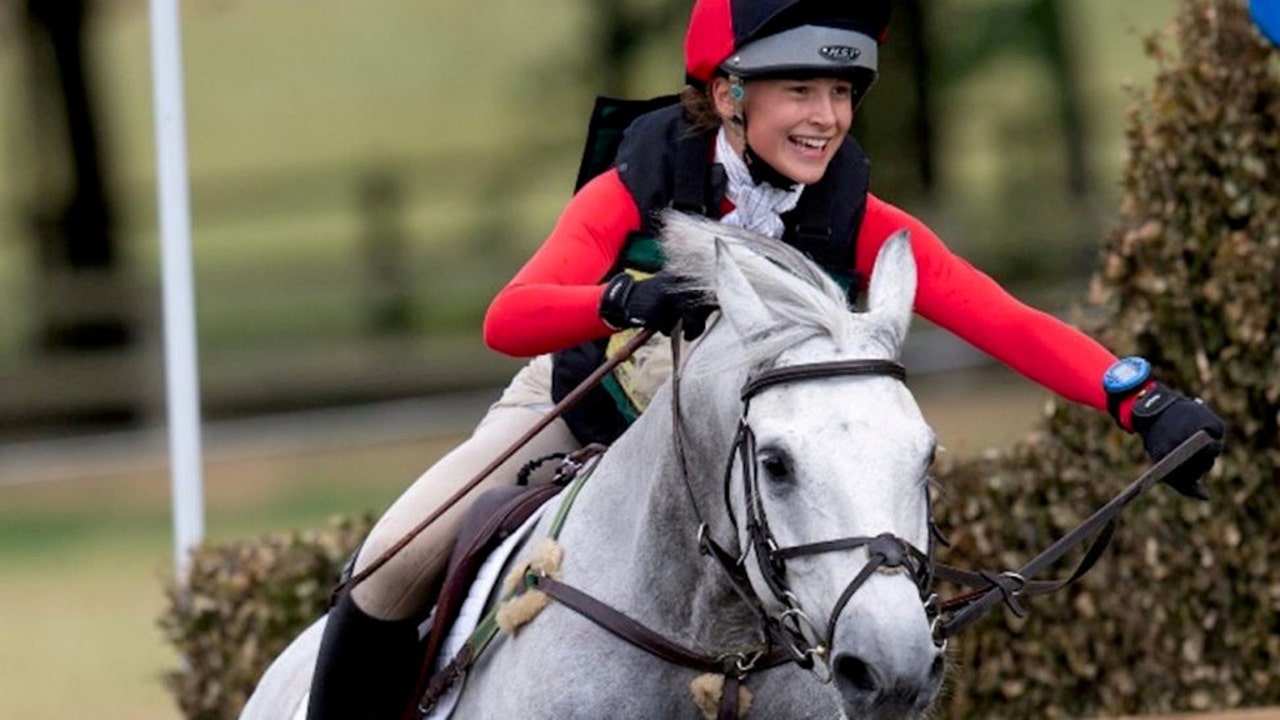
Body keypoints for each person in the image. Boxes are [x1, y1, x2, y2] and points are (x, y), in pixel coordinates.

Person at [305, 2, 1226, 718]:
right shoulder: (640, 179)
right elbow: (507, 319)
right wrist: (618, 299)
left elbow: (1003, 318)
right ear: (730, 96)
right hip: (589, 405)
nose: (828, 119)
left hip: (747, 466)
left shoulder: (854, 216)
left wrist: (1137, 400)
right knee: (391, 562)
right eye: (801, 92)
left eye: (842, 95)